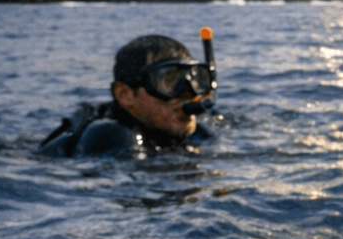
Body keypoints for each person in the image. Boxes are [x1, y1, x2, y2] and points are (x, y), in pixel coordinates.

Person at [40, 34, 215, 157]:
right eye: (168, 83)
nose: (188, 94)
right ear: (126, 95)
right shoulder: (113, 135)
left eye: (197, 80)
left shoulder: (192, 130)